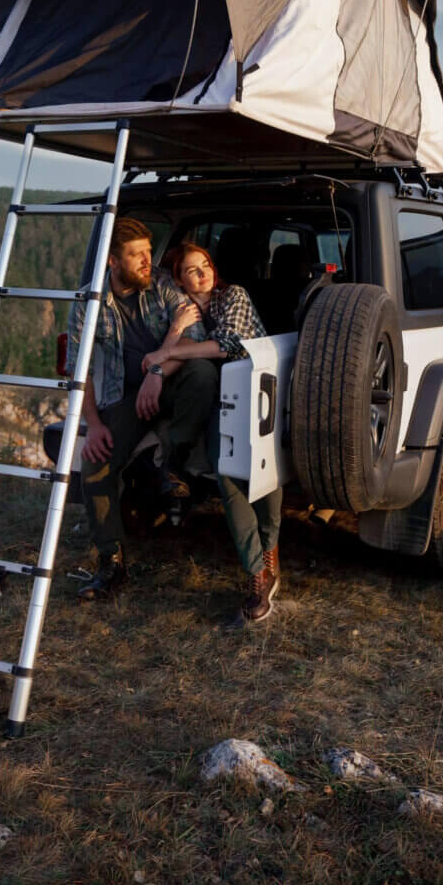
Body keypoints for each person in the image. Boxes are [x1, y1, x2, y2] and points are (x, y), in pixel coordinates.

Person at [70, 217, 214, 600]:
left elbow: (195, 339)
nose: (148, 262)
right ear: (112, 262)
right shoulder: (89, 303)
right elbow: (78, 368)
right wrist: (95, 424)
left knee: (201, 373)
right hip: (127, 397)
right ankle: (111, 564)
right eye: (137, 256)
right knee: (95, 463)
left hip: (171, 382)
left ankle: (172, 459)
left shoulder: (163, 286)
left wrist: (155, 369)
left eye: (150, 253)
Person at [149, 241, 286, 628]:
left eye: (205, 264)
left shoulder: (233, 296)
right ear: (179, 280)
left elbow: (227, 346)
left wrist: (168, 355)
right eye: (191, 270)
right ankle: (257, 573)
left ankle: (272, 548)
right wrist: (172, 341)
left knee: (267, 477)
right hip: (216, 407)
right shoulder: (182, 310)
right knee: (229, 479)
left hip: (255, 396)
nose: (202, 273)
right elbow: (159, 350)